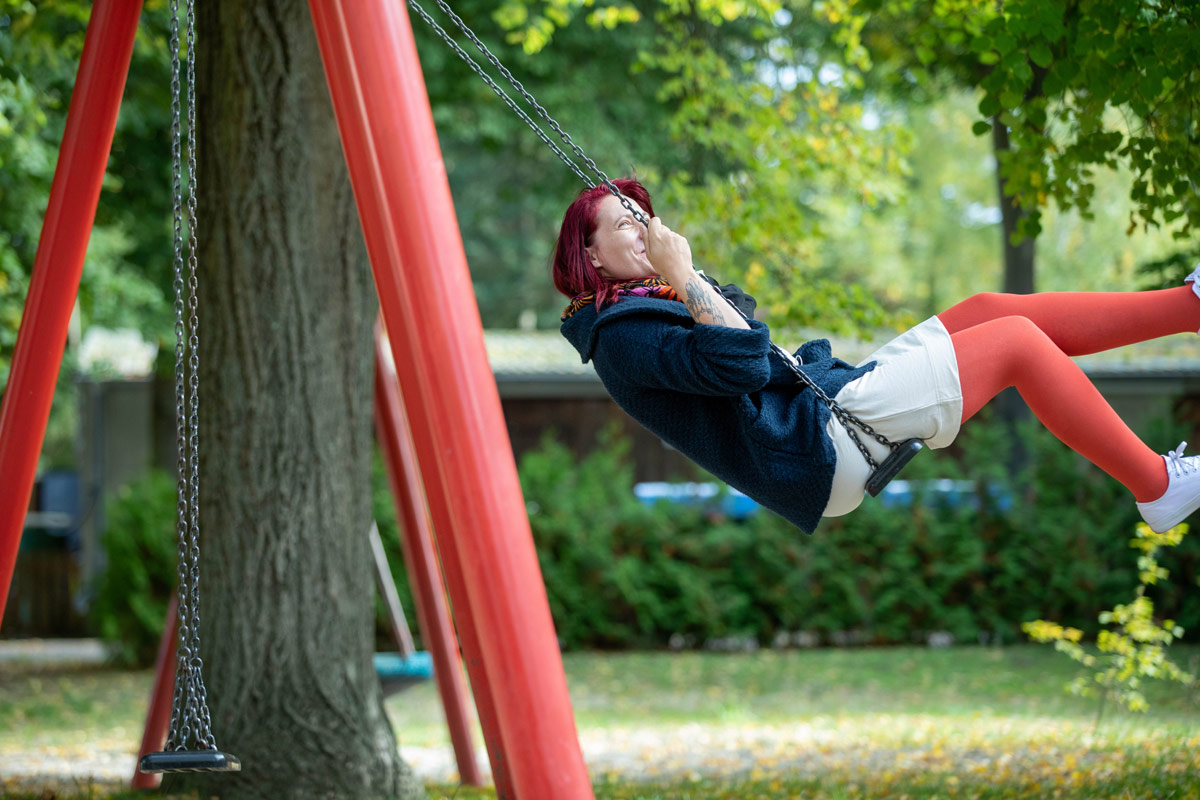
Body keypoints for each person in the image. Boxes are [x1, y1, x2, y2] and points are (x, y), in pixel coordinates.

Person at [554, 178, 1200, 535]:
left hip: (828, 404)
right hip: (818, 446)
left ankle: (1188, 307)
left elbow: (742, 318)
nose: (643, 230)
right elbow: (746, 363)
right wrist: (685, 277)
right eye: (623, 225)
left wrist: (682, 279)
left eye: (644, 218)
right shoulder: (623, 336)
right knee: (1016, 345)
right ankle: (1158, 486)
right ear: (591, 258)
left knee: (993, 311)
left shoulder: (653, 297)